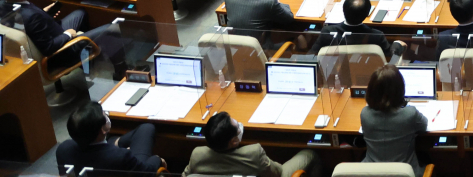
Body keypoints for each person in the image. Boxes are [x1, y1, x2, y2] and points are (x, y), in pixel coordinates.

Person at [0, 0, 128, 76]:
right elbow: (48, 48)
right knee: (111, 29)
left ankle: (87, 60)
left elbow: (25, 23)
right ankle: (121, 71)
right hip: (59, 53)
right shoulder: (32, 17)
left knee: (80, 13)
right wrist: (67, 35)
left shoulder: (4, 4)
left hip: (50, 33)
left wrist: (44, 14)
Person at [185, 111, 318, 177]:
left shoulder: (197, 154)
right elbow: (278, 172)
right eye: (237, 126)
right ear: (234, 141)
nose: (240, 126)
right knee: (310, 154)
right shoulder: (254, 154)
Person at [360, 64, 430, 175]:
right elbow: (424, 125)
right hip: (405, 173)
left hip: (372, 173)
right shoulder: (410, 114)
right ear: (399, 90)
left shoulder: (365, 114)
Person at [57, 101, 163, 173]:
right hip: (128, 165)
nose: (106, 116)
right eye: (105, 115)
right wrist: (157, 159)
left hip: (103, 153)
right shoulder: (121, 156)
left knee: (144, 128)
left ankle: (116, 142)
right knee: (147, 128)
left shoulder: (63, 149)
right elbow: (147, 172)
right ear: (102, 130)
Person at [315, 0, 393, 58]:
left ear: (343, 10)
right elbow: (389, 57)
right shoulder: (377, 36)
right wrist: (397, 46)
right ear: (367, 14)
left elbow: (313, 55)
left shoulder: (327, 32)